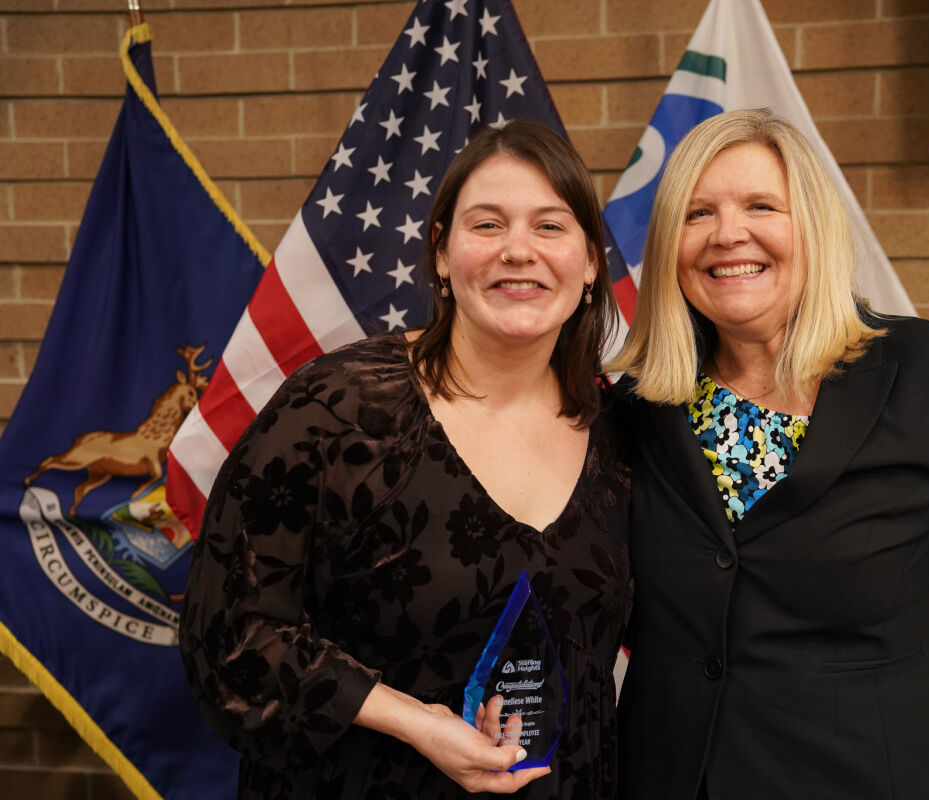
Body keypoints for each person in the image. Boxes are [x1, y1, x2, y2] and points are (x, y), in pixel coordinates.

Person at [607, 109, 929, 799]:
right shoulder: (637, 408)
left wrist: (928, 715)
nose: (727, 234)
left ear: (814, 228)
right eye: (697, 214)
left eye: (761, 205)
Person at [180, 119, 632, 799]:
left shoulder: (622, 435)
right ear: (442, 254)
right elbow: (232, 634)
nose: (518, 250)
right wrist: (413, 720)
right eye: (487, 225)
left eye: (550, 226)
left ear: (592, 263)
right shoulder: (337, 412)